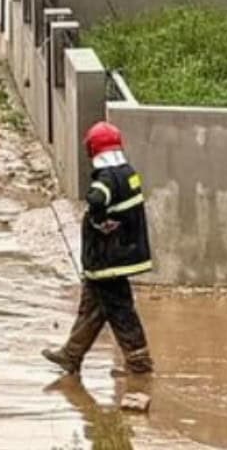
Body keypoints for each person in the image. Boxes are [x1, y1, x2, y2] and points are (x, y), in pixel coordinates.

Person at [43, 121, 154, 377]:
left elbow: (96, 199)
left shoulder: (105, 179)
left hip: (108, 259)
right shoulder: (129, 173)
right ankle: (71, 355)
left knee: (119, 309)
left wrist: (99, 220)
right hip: (119, 256)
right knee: (91, 308)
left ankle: (139, 363)